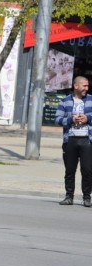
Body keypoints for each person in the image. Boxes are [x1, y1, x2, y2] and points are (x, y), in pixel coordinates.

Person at [55, 75, 92, 207]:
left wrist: (88, 118)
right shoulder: (65, 101)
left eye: (87, 86)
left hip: (87, 141)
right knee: (70, 170)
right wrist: (71, 120)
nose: (86, 88)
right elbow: (57, 119)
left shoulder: (91, 100)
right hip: (70, 140)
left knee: (87, 170)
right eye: (84, 85)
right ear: (76, 86)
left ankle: (87, 197)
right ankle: (69, 196)